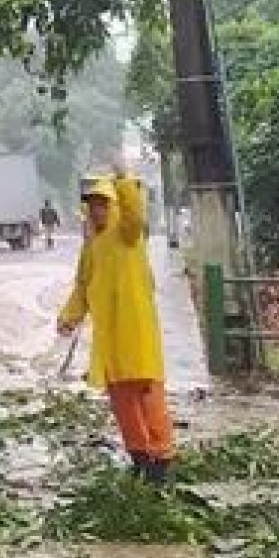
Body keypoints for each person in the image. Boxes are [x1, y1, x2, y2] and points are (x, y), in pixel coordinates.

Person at [58, 175, 173, 484]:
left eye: (102, 205)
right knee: (123, 405)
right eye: (92, 205)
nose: (96, 211)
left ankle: (161, 460)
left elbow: (135, 213)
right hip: (110, 343)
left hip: (137, 337)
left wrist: (123, 179)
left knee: (149, 400)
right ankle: (140, 457)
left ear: (114, 206)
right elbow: (82, 287)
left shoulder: (127, 236)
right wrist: (69, 317)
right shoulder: (91, 248)